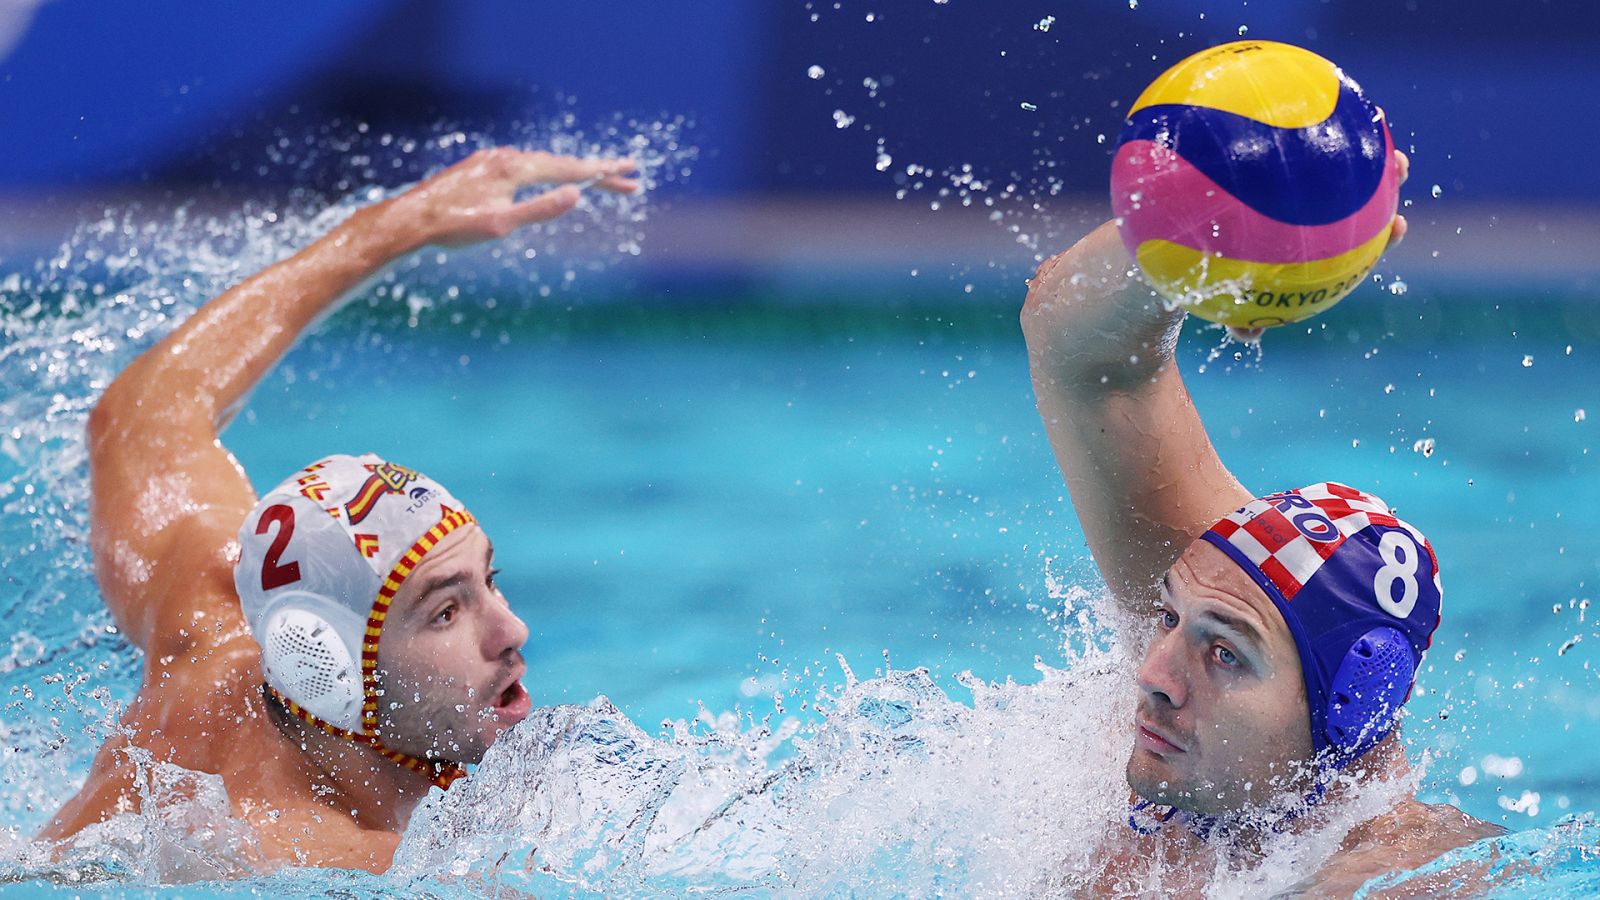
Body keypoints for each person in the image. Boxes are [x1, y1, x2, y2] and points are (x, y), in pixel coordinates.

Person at [38, 148, 639, 873]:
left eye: (490, 580)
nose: (512, 630)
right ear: (329, 668)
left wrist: (403, 224)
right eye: (445, 612)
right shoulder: (323, 864)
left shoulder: (213, 625)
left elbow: (140, 421)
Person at [1021, 149, 1504, 894]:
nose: (1153, 676)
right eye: (1167, 618)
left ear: (1349, 712)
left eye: (1224, 655)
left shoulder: (1398, 879)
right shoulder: (1228, 594)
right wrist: (1203, 216)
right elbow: (1080, 350)